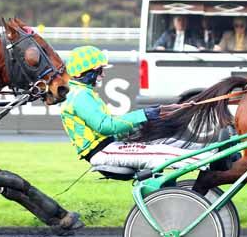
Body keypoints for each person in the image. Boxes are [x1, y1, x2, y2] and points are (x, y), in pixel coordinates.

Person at [60, 46, 212, 170]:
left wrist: (157, 111)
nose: (103, 75)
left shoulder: (82, 93)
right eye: (99, 70)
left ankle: (213, 152)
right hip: (102, 151)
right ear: (81, 73)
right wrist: (144, 114)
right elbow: (106, 126)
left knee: (164, 143)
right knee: (160, 152)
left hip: (109, 145)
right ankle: (212, 160)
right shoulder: (80, 96)